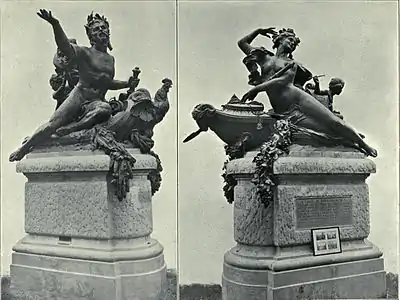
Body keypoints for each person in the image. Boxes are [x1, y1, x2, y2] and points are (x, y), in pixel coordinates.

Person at [9, 10, 133, 162]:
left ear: (109, 32)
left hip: (96, 102)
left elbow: (105, 82)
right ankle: (24, 148)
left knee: (105, 110)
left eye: (103, 28)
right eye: (96, 29)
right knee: (51, 125)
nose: (101, 30)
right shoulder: (84, 53)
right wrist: (56, 24)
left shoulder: (111, 59)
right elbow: (65, 46)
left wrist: (127, 84)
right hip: (79, 96)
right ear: (91, 36)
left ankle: (68, 130)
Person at [241, 61, 377, 157]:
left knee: (335, 123)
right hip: (289, 112)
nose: (291, 44)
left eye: (292, 42)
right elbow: (242, 43)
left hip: (299, 98)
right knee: (325, 131)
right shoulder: (265, 67)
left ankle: (363, 144)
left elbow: (285, 81)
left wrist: (257, 89)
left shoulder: (286, 62)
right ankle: (353, 140)